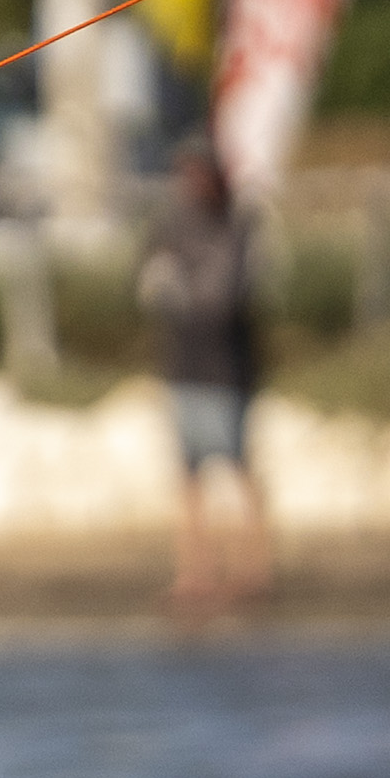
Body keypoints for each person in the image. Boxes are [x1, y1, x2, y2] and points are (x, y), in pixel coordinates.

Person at [138, 137, 266, 617]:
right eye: (186, 173)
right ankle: (194, 576)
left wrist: (184, 288)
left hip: (229, 371)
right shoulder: (170, 221)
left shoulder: (238, 223)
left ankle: (252, 572)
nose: (191, 183)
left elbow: (228, 296)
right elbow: (144, 275)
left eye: (199, 173)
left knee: (237, 469)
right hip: (183, 366)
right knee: (188, 477)